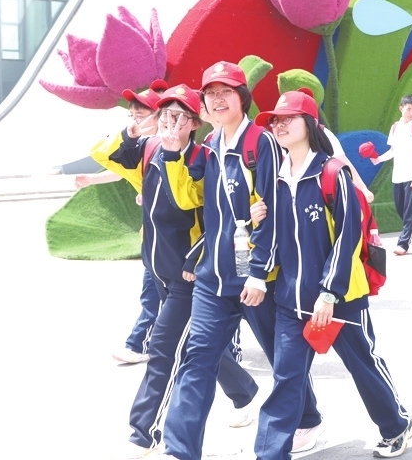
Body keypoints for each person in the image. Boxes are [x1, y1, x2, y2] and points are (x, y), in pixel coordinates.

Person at [161, 62, 324, 460]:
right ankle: (179, 450)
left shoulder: (261, 143)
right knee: (196, 360)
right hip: (213, 279)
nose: (217, 100)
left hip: (255, 279)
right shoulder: (208, 146)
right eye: (210, 94)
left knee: (281, 358)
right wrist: (172, 154)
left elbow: (273, 210)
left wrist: (258, 272)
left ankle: (306, 419)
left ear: (242, 98)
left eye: (226, 92)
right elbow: (189, 199)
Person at [93, 84, 260, 457]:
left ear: (194, 123)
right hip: (157, 271)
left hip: (190, 275)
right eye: (165, 114)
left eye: (180, 116)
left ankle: (144, 433)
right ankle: (244, 391)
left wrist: (195, 260)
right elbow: (102, 154)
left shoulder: (203, 159)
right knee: (197, 345)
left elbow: (205, 210)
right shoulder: (148, 149)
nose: (171, 122)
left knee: (163, 348)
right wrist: (132, 131)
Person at [248, 91, 412, 460]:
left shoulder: (332, 173)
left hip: (338, 299)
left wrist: (329, 293)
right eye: (275, 120)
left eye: (288, 118)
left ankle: (396, 425)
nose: (278, 124)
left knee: (362, 365)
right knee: (286, 379)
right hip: (290, 300)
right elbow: (271, 236)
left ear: (309, 124)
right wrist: (256, 257)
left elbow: (348, 236)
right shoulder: (274, 178)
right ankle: (270, 453)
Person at [83, 82, 165, 365]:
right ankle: (140, 343)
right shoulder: (137, 148)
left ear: (159, 116)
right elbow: (109, 160)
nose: (135, 120)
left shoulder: (177, 146)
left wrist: (152, 193)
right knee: (154, 290)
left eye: (140, 115)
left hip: (183, 235)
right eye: (132, 115)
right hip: (155, 235)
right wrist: (92, 179)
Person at [371, 95, 412, 255]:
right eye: (409, 109)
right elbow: (393, 151)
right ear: (401, 108)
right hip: (398, 176)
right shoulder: (395, 127)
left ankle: (403, 244)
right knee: (401, 210)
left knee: (410, 212)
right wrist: (378, 159)